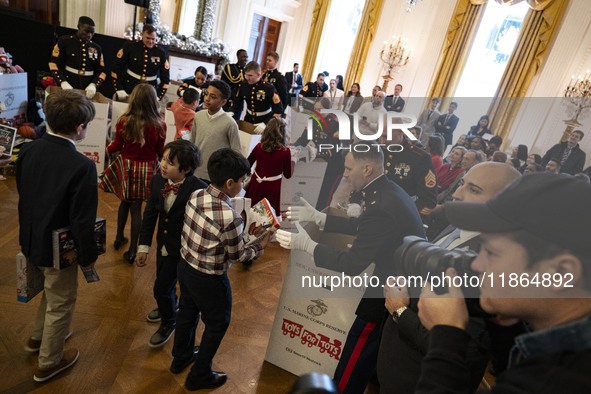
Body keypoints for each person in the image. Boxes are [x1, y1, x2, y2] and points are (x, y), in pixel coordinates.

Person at [415, 173, 591, 393]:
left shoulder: (563, 382)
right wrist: (504, 328)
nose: (477, 265)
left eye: (491, 252)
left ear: (562, 272)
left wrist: (446, 336)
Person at [276, 145, 425, 394]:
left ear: (366, 168)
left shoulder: (381, 203)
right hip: (397, 275)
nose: (344, 174)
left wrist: (308, 245)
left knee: (359, 345)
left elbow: (353, 264)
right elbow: (367, 227)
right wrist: (320, 218)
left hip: (393, 286)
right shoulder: (386, 190)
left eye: (348, 168)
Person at [377, 161, 521, 394]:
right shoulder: (458, 226)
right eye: (462, 183)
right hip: (396, 367)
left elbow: (461, 346)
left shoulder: (495, 263)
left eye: (473, 190)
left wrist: (399, 311)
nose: (457, 194)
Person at [172, 148, 271, 391]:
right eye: (242, 180)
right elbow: (237, 256)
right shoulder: (231, 217)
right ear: (229, 183)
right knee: (217, 323)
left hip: (185, 266)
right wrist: (260, 245)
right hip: (209, 279)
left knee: (187, 310)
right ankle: (200, 374)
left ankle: (180, 357)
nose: (243, 184)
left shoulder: (195, 194)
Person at [17, 89, 97, 382]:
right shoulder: (83, 166)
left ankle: (38, 338)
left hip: (30, 239)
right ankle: (49, 361)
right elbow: (81, 221)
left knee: (51, 295)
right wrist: (88, 258)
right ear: (80, 128)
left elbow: (26, 196)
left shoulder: (27, 150)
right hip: (58, 249)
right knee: (62, 301)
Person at [135, 140, 207, 347]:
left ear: (186, 169)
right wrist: (143, 247)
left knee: (161, 288)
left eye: (171, 162)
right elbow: (149, 215)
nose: (163, 165)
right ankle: (168, 304)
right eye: (163, 159)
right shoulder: (158, 181)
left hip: (184, 250)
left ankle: (169, 321)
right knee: (163, 284)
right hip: (163, 245)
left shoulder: (199, 190)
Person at [102, 84, 166, 264]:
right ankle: (132, 251)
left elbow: (116, 146)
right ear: (153, 101)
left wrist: (106, 149)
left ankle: (119, 237)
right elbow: (160, 151)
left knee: (124, 202)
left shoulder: (124, 120)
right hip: (147, 168)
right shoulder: (160, 124)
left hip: (127, 166)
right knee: (137, 208)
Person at [191, 80, 242, 182]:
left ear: (223, 102)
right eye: (206, 94)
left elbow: (236, 153)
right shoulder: (198, 115)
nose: (207, 99)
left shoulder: (230, 123)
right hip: (195, 171)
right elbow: (192, 142)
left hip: (215, 177)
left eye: (213, 97)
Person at [381, 128, 437, 217]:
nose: (381, 141)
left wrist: (408, 217)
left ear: (401, 132)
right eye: (379, 136)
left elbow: (428, 200)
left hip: (398, 214)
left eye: (386, 136)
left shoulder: (420, 158)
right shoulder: (376, 149)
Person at [48, 16, 105, 99]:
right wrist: (62, 82)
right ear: (78, 27)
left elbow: (101, 71)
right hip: (69, 83)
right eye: (86, 31)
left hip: (87, 89)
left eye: (92, 32)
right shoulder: (65, 41)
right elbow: (53, 64)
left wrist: (94, 85)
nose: (89, 35)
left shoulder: (96, 48)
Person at [245, 118, 293, 215]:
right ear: (283, 133)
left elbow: (247, 164)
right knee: (267, 215)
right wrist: (293, 161)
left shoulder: (259, 147)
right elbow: (288, 174)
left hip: (256, 184)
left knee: (250, 212)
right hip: (272, 188)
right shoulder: (285, 152)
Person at [111, 24, 170, 101]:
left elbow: (165, 79)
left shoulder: (160, 52)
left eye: (153, 39)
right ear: (142, 35)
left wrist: (158, 96)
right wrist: (119, 89)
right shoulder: (131, 46)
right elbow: (116, 69)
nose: (151, 41)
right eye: (148, 38)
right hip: (129, 87)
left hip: (150, 91)